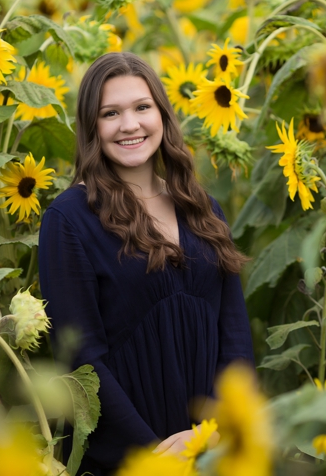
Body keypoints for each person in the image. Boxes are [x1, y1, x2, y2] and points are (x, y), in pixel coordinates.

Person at [37, 52, 254, 474]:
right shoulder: (68, 220)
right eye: (110, 113)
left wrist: (213, 432)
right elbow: (82, 359)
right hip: (127, 457)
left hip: (212, 452)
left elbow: (236, 336)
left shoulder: (202, 208)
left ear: (162, 114)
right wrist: (154, 453)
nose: (130, 124)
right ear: (91, 127)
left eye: (142, 107)